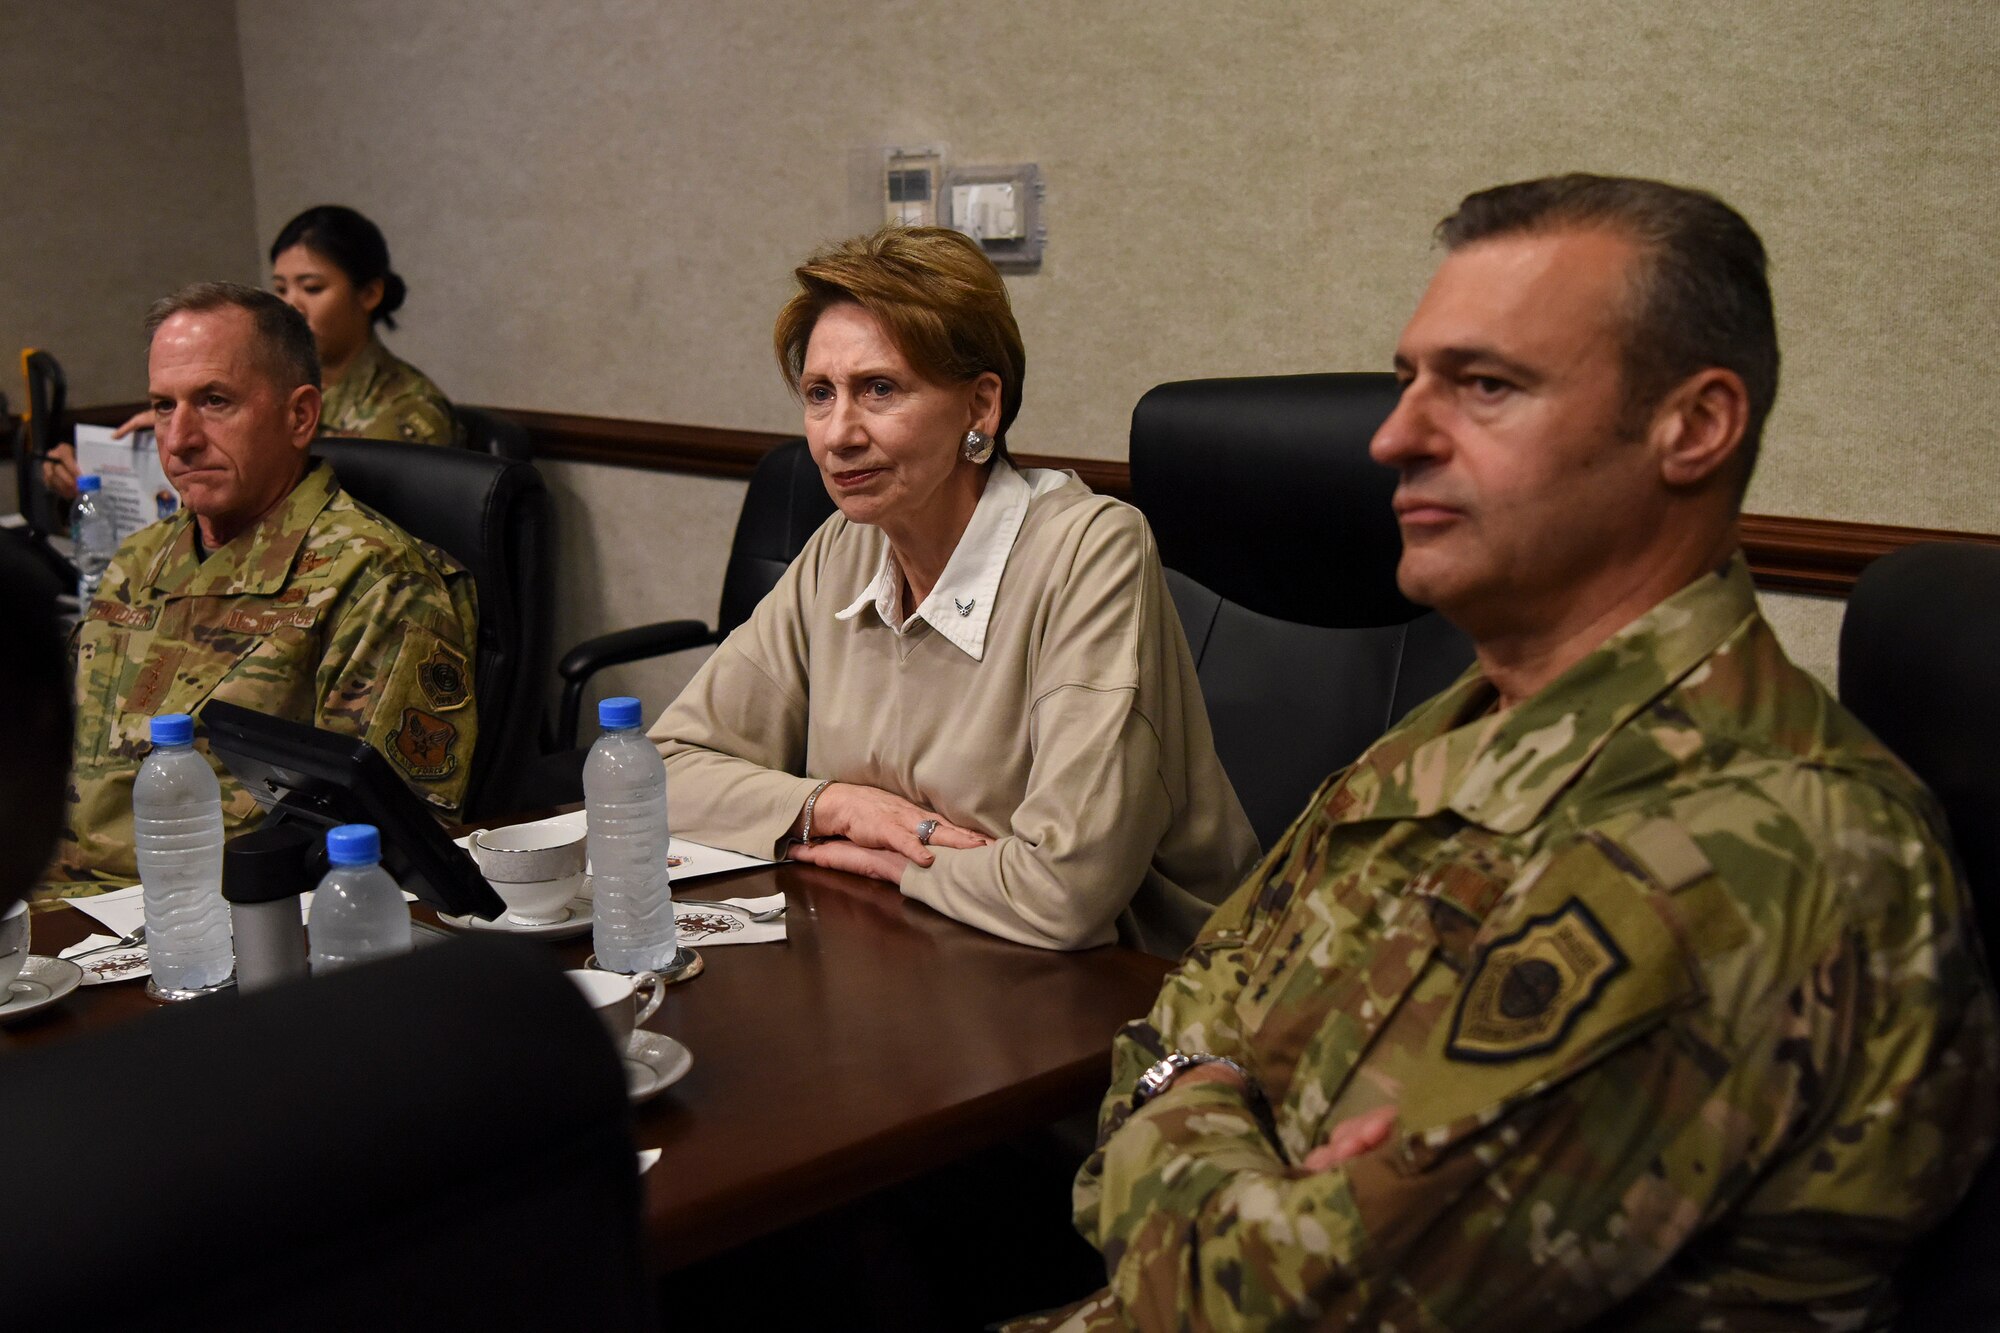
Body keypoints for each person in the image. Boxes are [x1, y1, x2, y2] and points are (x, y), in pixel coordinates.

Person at [1009, 176, 2000, 1330]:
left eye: (1484, 386)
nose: (1392, 438)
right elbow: (1185, 1004)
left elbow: (1273, 1307)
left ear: (1692, 427)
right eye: (1407, 382)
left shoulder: (1752, 848)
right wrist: (1212, 1103)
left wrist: (1186, 1098)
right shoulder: (1461, 721)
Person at [649, 226, 1258, 956]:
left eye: (879, 389)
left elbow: (1065, 893)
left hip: (1138, 984)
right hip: (915, 946)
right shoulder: (843, 547)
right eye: (819, 394)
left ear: (981, 407)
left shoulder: (1090, 550)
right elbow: (661, 772)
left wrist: (894, 860)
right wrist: (833, 807)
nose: (838, 434)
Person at [40, 282, 479, 898]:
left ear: (299, 416)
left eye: (214, 401)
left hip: (191, 915)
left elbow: (381, 843)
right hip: (46, 892)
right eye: (164, 406)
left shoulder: (377, 581)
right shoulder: (141, 556)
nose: (179, 438)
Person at [40, 204, 460, 502]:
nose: (292, 305)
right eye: (280, 289)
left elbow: (338, 510)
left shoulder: (411, 407)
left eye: (312, 288)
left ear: (369, 293)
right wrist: (104, 475)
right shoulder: (262, 386)